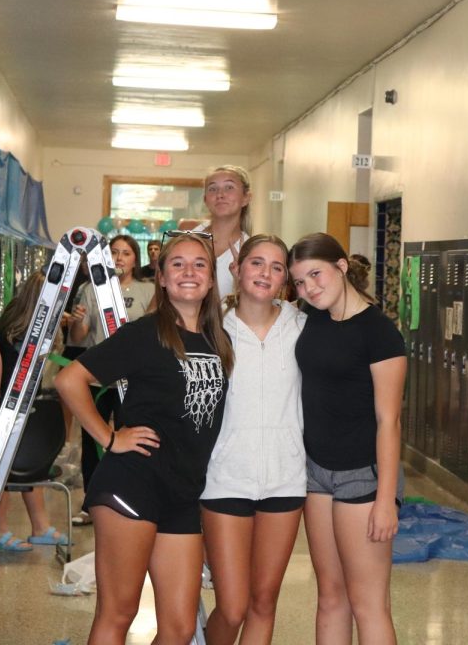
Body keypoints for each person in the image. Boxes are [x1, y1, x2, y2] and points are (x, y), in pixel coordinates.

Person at [54, 233, 233, 645]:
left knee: (180, 627)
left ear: (211, 280)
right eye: (178, 264)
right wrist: (109, 436)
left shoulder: (218, 340)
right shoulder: (146, 333)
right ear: (163, 279)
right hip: (133, 483)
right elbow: (70, 379)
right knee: (118, 613)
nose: (189, 272)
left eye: (199, 264)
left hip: (183, 494)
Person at [287, 233, 407, 645]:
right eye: (300, 282)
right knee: (330, 596)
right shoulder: (313, 318)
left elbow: (388, 421)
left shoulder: (378, 331)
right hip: (316, 472)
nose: (309, 288)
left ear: (341, 266)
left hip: (362, 476)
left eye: (315, 275)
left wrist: (385, 500)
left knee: (368, 603)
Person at [202, 235, 306, 645]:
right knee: (232, 605)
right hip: (225, 480)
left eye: (276, 267)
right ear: (236, 270)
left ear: (286, 279)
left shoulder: (301, 326)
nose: (265, 273)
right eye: (257, 263)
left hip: (286, 480)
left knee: (264, 601)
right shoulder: (211, 330)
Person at [68, 233, 158, 526]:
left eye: (126, 253)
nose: (120, 258)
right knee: (94, 438)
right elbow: (79, 338)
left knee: (133, 436)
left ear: (136, 259)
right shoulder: (89, 289)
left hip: (134, 382)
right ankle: (91, 502)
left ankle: (128, 497)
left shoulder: (148, 290)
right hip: (97, 380)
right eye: (114, 253)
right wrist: (77, 320)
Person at [0, 270, 69, 551]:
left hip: (15, 404)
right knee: (4, 470)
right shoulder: (26, 331)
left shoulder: (14, 321)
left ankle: (39, 526)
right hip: (12, 406)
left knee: (27, 467)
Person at [197, 165, 252, 299]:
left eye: (229, 187)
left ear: (246, 198)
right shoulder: (186, 238)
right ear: (206, 200)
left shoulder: (250, 251)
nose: (220, 195)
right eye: (213, 189)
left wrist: (241, 281)